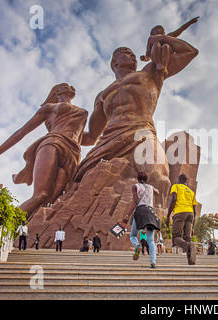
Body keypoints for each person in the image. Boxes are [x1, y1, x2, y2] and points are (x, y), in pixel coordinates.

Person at [73, 31, 198, 211]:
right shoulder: (102, 95)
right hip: (108, 142)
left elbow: (189, 52)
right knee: (82, 182)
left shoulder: (149, 73)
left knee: (159, 178)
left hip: (142, 132)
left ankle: (152, 230)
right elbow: (91, 136)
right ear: (114, 62)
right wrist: (64, 136)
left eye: (133, 53)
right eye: (125, 51)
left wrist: (162, 39)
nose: (131, 54)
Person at [0, 83, 88, 219]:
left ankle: (30, 233)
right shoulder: (49, 108)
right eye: (64, 86)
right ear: (56, 93)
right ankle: (1, 224)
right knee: (40, 195)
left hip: (73, 153)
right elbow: (23, 131)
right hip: (52, 144)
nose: (69, 86)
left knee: (52, 200)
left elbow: (86, 138)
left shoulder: (82, 112)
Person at [124, 171, 161, 269]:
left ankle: (137, 246)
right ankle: (153, 262)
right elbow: (158, 192)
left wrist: (127, 215)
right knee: (151, 240)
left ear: (137, 178)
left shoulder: (135, 186)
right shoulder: (150, 187)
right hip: (151, 213)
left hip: (140, 212)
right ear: (146, 179)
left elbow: (135, 201)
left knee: (133, 235)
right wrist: (153, 190)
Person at [166, 174, 198, 265]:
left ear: (179, 180)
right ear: (186, 181)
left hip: (180, 212)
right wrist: (193, 227)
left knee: (176, 237)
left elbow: (174, 199)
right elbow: (195, 211)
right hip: (190, 214)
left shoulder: (176, 186)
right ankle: (191, 261)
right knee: (187, 238)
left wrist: (168, 216)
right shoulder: (191, 192)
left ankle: (188, 246)